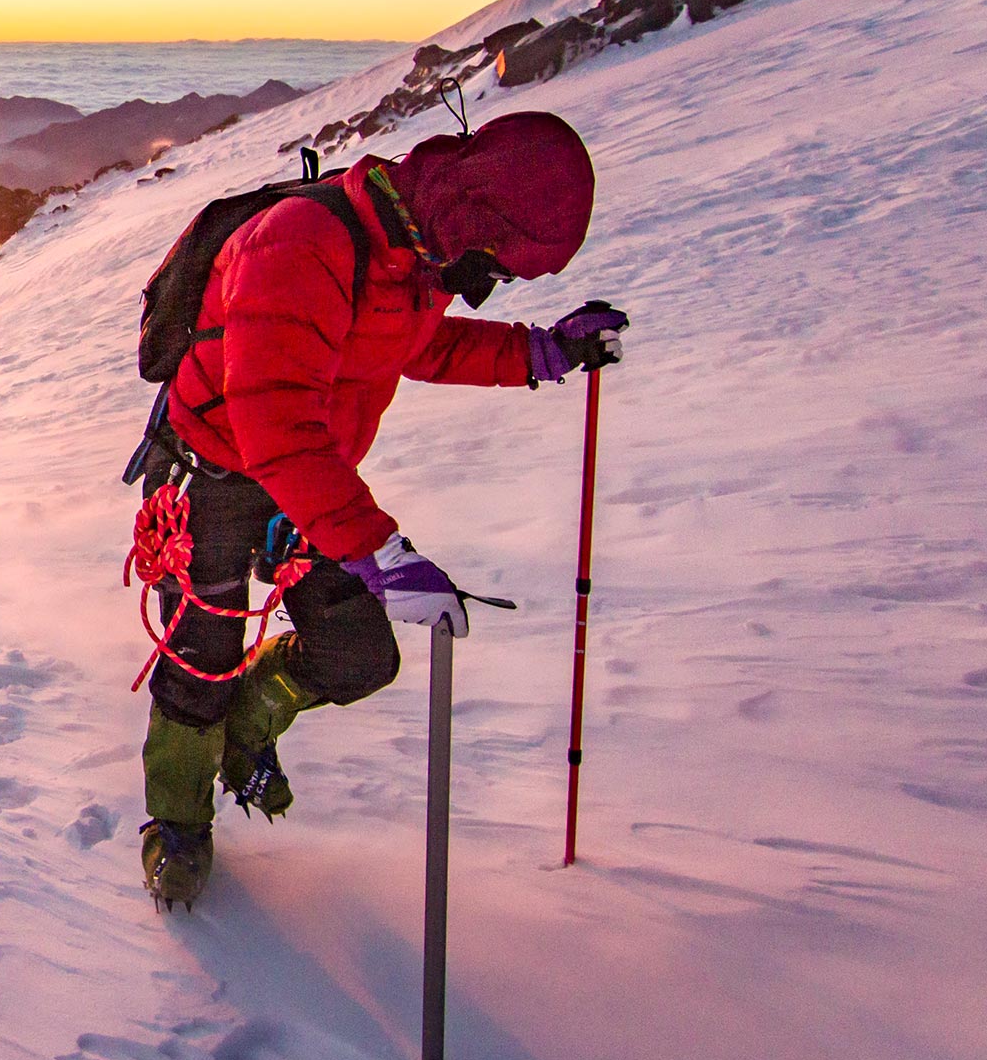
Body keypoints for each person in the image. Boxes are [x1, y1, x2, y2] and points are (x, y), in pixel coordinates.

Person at [134, 111, 629, 909]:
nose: (488, 283)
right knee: (203, 658)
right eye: (499, 263)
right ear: (476, 219)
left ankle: (248, 727)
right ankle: (179, 829)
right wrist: (380, 553)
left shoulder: (413, 260)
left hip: (310, 479)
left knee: (358, 654)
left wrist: (543, 351)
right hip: (218, 473)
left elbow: (419, 347)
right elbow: (275, 423)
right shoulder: (302, 243)